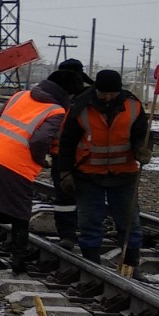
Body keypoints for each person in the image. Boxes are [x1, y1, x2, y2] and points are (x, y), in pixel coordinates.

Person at [0, 71, 74, 273]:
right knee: (20, 215)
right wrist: (42, 160)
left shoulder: (19, 95)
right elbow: (39, 141)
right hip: (15, 167)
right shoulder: (55, 111)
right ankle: (18, 262)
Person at [58, 69, 151, 275]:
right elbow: (67, 142)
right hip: (89, 175)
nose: (108, 98)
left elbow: (142, 136)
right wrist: (65, 172)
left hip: (124, 174)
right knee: (90, 222)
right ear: (96, 90)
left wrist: (142, 150)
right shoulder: (81, 107)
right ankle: (93, 268)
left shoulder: (133, 106)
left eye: (112, 95)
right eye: (103, 94)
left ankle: (130, 268)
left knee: (129, 223)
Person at [47, 60, 89, 251]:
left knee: (67, 197)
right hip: (74, 155)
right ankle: (71, 234)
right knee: (72, 197)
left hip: (74, 156)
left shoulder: (52, 95)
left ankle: (69, 234)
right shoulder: (88, 94)